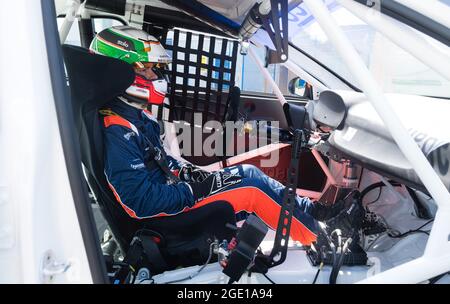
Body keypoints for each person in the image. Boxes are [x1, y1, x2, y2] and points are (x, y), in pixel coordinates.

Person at [91, 26, 350, 246]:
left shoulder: (136, 115)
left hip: (173, 195)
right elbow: (140, 202)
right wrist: (194, 190)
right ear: (119, 72)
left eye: (154, 69)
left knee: (249, 173)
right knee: (252, 191)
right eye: (145, 69)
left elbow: (161, 161)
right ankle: (323, 240)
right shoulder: (117, 129)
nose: (154, 76)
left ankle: (315, 212)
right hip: (163, 215)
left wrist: (189, 173)